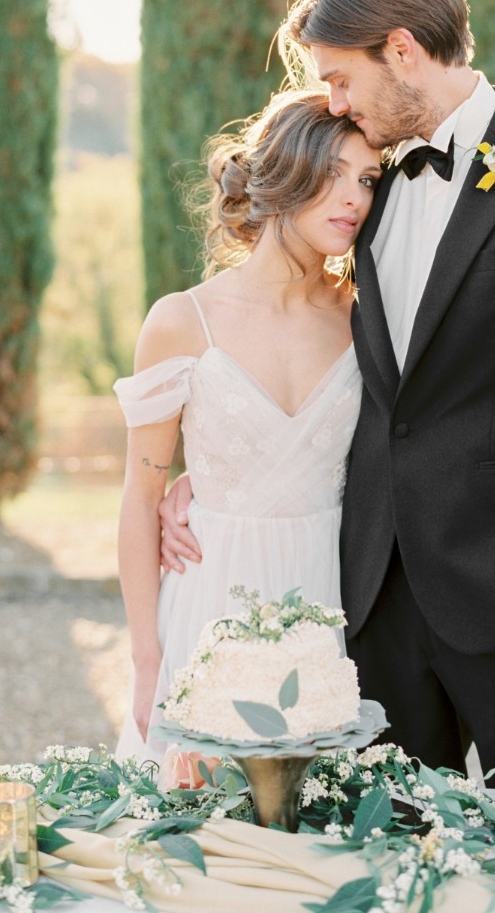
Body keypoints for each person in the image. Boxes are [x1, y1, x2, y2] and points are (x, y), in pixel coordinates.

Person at [162, 0, 495, 785]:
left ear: (401, 51)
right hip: (372, 607)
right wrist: (206, 475)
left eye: (339, 77)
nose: (333, 100)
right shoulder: (365, 181)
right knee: (385, 860)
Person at [113, 89, 382, 763]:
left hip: (327, 599)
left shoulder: (367, 314)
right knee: (197, 831)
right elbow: (140, 500)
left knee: (311, 829)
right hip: (211, 595)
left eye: (368, 179)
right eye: (334, 175)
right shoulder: (183, 321)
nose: (355, 199)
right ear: (286, 175)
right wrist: (148, 663)